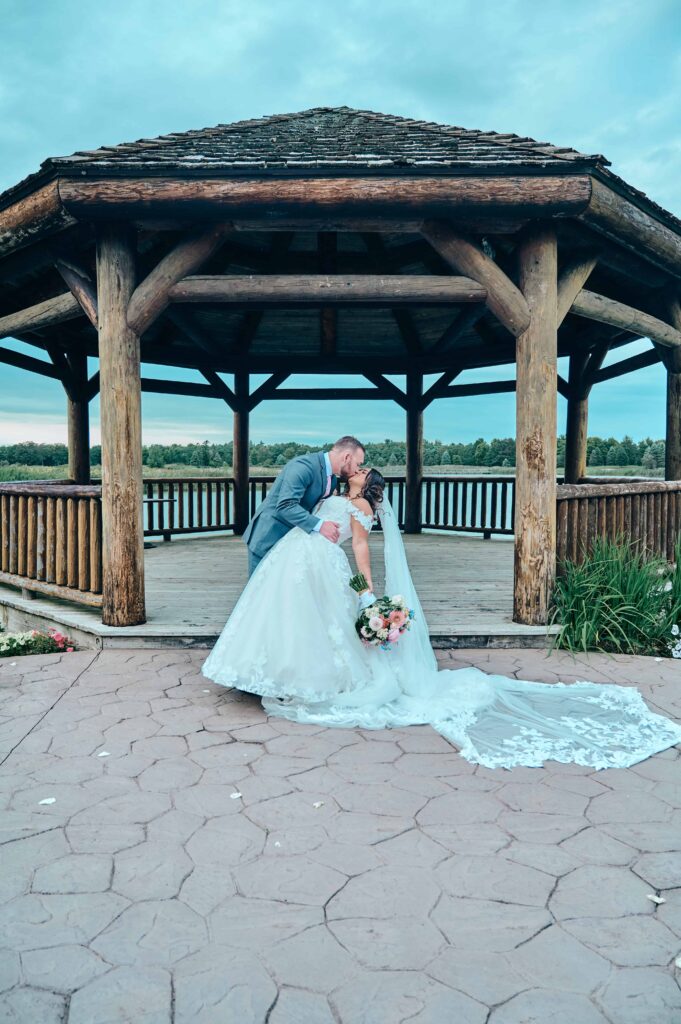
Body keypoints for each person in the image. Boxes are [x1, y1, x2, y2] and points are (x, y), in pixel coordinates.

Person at [201, 468, 681, 770]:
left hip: (328, 568)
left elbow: (361, 554)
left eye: (364, 470)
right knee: (305, 624)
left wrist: (367, 596)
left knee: (323, 628)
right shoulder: (339, 493)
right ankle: (289, 669)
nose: (360, 469)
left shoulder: (359, 507)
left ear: (365, 487)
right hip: (306, 563)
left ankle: (307, 676)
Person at [242, 435, 365, 576]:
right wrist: (320, 525)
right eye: (358, 464)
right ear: (347, 457)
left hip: (292, 543)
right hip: (269, 536)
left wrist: (360, 515)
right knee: (259, 592)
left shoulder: (332, 479)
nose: (357, 470)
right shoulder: (303, 466)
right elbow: (286, 505)